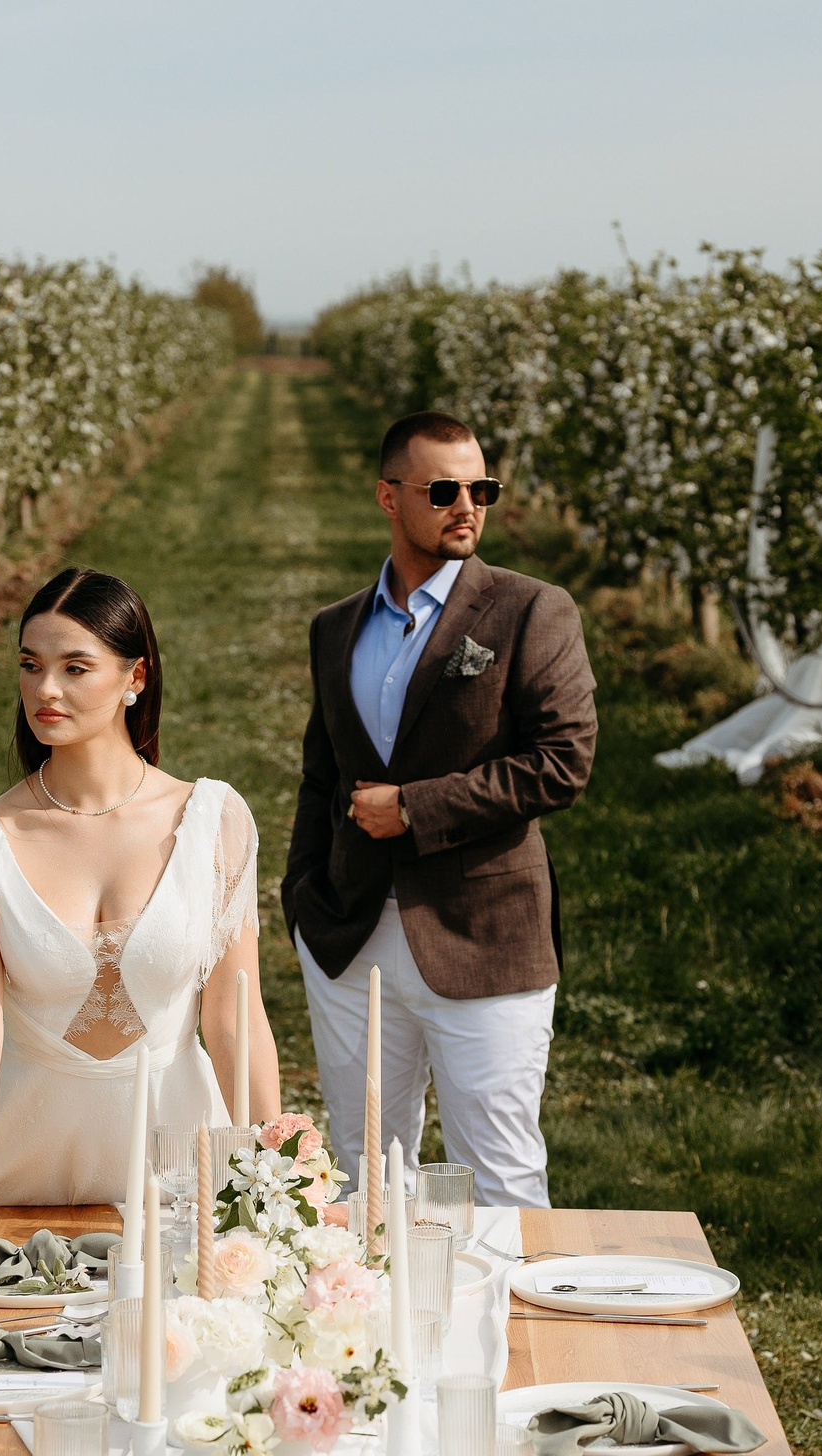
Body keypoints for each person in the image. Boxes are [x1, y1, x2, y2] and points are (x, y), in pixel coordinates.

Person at [0, 568, 279, 1299]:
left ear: (135, 676)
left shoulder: (215, 820)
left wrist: (271, 1178)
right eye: (30, 665)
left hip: (178, 1166)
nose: (45, 690)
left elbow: (233, 1018)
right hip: (18, 1171)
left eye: (74, 667)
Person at [282, 411, 597, 1208]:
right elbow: (322, 777)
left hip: (484, 937)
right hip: (349, 937)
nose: (469, 505)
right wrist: (303, 897)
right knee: (362, 1175)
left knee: (498, 1173)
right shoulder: (334, 629)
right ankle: (379, 1334)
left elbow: (562, 763)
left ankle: (510, 1335)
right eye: (445, 489)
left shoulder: (532, 611)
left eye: (481, 488)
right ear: (389, 498)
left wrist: (416, 809)